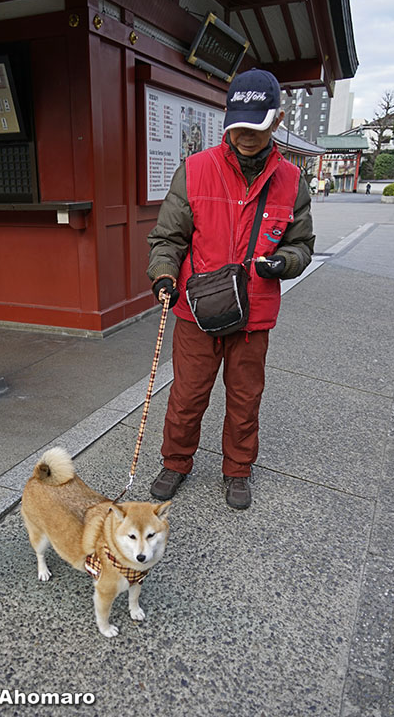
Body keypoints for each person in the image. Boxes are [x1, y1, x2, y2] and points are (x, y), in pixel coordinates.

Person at [146, 68, 315, 510]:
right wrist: (164, 274)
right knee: (187, 395)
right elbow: (168, 238)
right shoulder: (195, 170)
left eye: (256, 125)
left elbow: (301, 244)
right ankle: (175, 462)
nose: (245, 135)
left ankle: (238, 469)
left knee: (245, 398)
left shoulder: (292, 181)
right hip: (198, 310)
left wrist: (285, 262)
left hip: (253, 313)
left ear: (277, 120)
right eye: (237, 124)